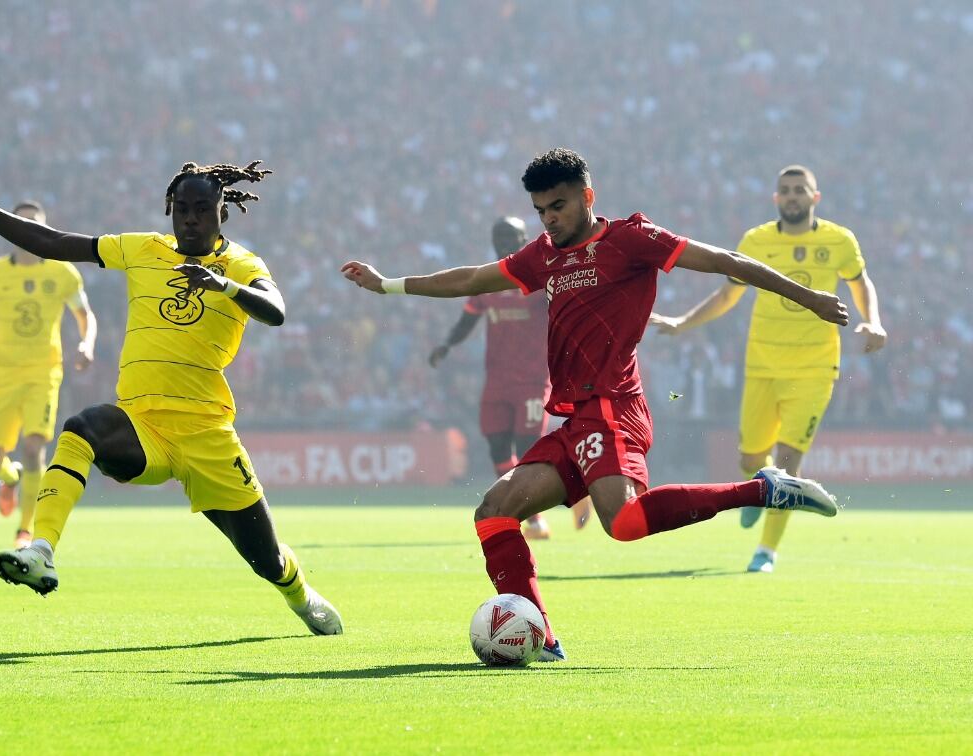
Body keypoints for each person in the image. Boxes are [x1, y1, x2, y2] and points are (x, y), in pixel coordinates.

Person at [341, 148, 846, 661]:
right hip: (574, 420)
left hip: (612, 408)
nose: (549, 218)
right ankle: (543, 641)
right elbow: (473, 279)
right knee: (494, 511)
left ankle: (762, 489)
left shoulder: (631, 240)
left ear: (587, 196)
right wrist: (387, 285)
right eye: (540, 210)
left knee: (624, 523)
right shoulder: (544, 254)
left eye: (557, 206)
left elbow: (724, 261)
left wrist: (810, 300)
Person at [0, 162, 342, 636]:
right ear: (169, 210)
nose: (191, 219)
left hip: (207, 435)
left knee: (267, 560)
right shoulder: (142, 249)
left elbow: (276, 312)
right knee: (82, 428)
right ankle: (40, 550)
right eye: (182, 209)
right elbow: (51, 243)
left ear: (224, 211)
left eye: (203, 209)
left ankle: (299, 594)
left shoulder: (241, 264)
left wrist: (225, 286)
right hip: (143, 426)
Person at [649, 165, 886, 573]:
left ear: (815, 197)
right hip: (762, 365)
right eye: (786, 190)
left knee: (790, 460)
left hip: (814, 367)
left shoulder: (839, 240)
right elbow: (727, 295)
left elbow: (860, 283)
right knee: (751, 458)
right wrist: (682, 322)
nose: (793, 196)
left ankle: (766, 551)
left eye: (800, 190)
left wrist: (874, 320)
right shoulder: (756, 240)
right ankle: (756, 490)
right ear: (777, 199)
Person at [429, 216, 590, 539]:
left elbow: (567, 319)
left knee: (528, 449)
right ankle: (533, 521)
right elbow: (467, 321)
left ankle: (571, 492)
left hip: (532, 379)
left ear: (523, 239)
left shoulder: (540, 281)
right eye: (499, 236)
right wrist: (447, 343)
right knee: (497, 448)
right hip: (496, 381)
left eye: (512, 236)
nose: (505, 242)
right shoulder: (488, 283)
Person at [0, 200, 97, 548]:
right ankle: (11, 479)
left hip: (44, 372)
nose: (27, 229)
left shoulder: (62, 272)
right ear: (10, 226)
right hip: (2, 375)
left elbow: (86, 316)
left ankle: (25, 529)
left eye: (34, 224)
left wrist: (87, 344)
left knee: (34, 446)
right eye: (20, 222)